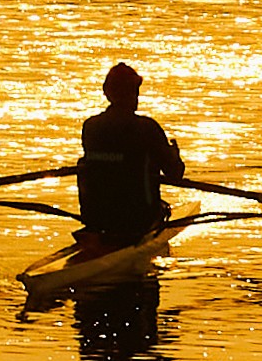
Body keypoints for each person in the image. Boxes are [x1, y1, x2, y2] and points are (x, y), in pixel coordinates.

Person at [72, 62, 187, 258]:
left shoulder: (91, 127)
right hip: (137, 221)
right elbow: (175, 175)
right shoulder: (147, 128)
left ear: (107, 93)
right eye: (135, 91)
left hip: (98, 220)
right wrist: (174, 155)